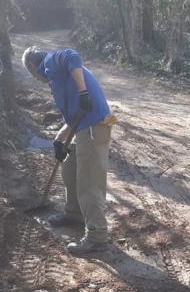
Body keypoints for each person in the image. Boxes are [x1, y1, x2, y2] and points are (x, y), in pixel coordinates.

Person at [22, 46, 116, 254]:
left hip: (93, 127)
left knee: (88, 182)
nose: (36, 79)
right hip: (83, 126)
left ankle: (97, 238)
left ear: (32, 66)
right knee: (69, 169)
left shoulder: (51, 62)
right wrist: (59, 139)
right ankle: (74, 213)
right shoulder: (57, 78)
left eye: (32, 74)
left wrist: (83, 92)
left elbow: (71, 55)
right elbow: (72, 119)